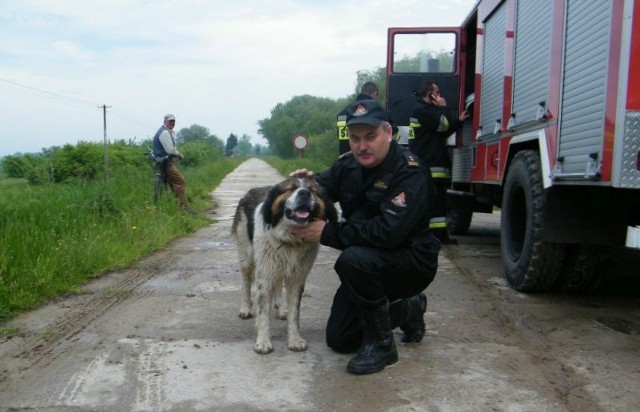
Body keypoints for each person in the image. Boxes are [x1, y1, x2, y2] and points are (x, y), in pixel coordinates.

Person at [291, 100, 441, 375]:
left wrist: (327, 232)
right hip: (368, 264)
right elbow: (322, 189)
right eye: (355, 138)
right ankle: (408, 308)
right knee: (340, 339)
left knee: (353, 259)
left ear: (389, 132)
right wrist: (302, 192)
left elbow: (387, 233)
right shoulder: (348, 165)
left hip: (411, 262)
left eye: (370, 137)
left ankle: (382, 345)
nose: (362, 146)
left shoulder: (410, 171)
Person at [409, 80, 469, 244]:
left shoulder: (427, 111)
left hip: (434, 165)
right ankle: (431, 237)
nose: (440, 95)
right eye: (438, 92)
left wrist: (459, 121)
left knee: (440, 204)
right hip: (429, 166)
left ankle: (440, 236)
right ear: (431, 95)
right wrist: (443, 107)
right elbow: (443, 124)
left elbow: (443, 130)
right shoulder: (422, 110)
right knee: (433, 204)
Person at [152, 113, 189, 210]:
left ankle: (179, 207)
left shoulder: (167, 131)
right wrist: (179, 154)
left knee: (173, 185)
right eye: (170, 121)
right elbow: (170, 150)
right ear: (165, 121)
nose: (172, 123)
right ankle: (183, 207)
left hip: (163, 161)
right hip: (166, 162)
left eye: (173, 121)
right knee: (180, 183)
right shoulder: (164, 132)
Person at [336, 81, 379, 155]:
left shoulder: (343, 113)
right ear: (375, 94)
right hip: (365, 156)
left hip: (344, 157)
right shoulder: (374, 110)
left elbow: (343, 139)